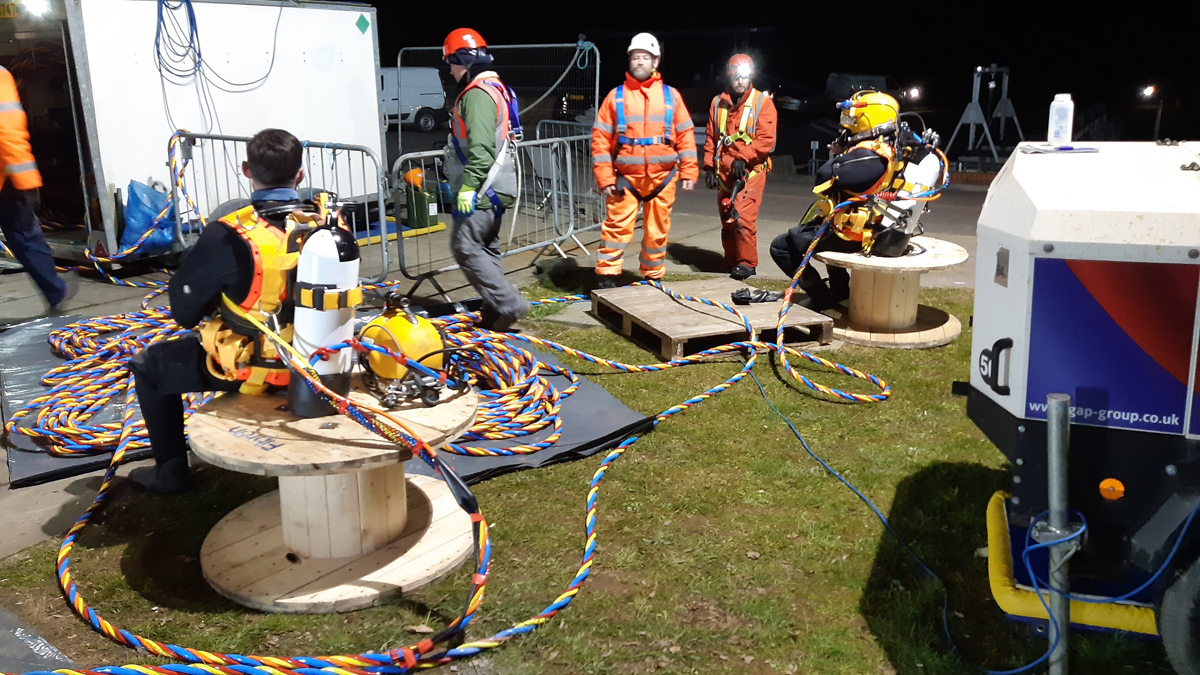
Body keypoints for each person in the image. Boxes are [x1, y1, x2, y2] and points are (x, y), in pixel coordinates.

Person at [128, 128, 317, 494]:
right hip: (321, 365)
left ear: (246, 170)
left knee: (148, 365)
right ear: (300, 175)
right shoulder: (327, 224)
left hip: (260, 370)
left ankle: (170, 474)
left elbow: (183, 312)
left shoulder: (229, 235)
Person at [761, 91, 941, 310]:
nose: (848, 121)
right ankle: (840, 292)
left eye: (853, 116)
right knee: (824, 234)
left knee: (780, 247)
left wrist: (837, 155)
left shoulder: (871, 156)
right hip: (866, 226)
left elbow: (824, 176)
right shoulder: (891, 145)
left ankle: (821, 297)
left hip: (854, 233)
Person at [591, 32, 698, 287]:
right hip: (625, 179)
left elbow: (685, 134)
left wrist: (690, 171)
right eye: (635, 57)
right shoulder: (615, 97)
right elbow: (600, 140)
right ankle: (607, 274)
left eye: (645, 57)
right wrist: (604, 177)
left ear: (655, 62)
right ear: (629, 61)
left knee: (657, 232)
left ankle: (652, 276)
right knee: (616, 229)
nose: (639, 62)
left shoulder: (671, 97)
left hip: (663, 178)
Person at [441, 28, 529, 331]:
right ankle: (494, 313)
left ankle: (510, 304)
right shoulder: (498, 89)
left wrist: (467, 189)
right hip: (497, 189)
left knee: (464, 245)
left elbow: (481, 150)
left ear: (463, 60)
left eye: (451, 63)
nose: (450, 72)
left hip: (482, 190)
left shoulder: (478, 95)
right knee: (487, 247)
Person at [0, 64, 77, 311]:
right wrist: (25, 177)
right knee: (26, 236)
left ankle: (56, 292)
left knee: (25, 236)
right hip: (9, 179)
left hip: (8, 177)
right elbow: (7, 128)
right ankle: (56, 292)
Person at [702, 53, 777, 281]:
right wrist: (708, 167)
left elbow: (766, 140)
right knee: (727, 220)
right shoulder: (717, 103)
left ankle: (747, 263)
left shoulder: (762, 103)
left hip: (750, 171)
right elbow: (711, 137)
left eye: (744, 76)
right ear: (729, 76)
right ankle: (732, 261)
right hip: (724, 171)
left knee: (742, 218)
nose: (740, 81)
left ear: (751, 76)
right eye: (736, 76)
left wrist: (743, 157)